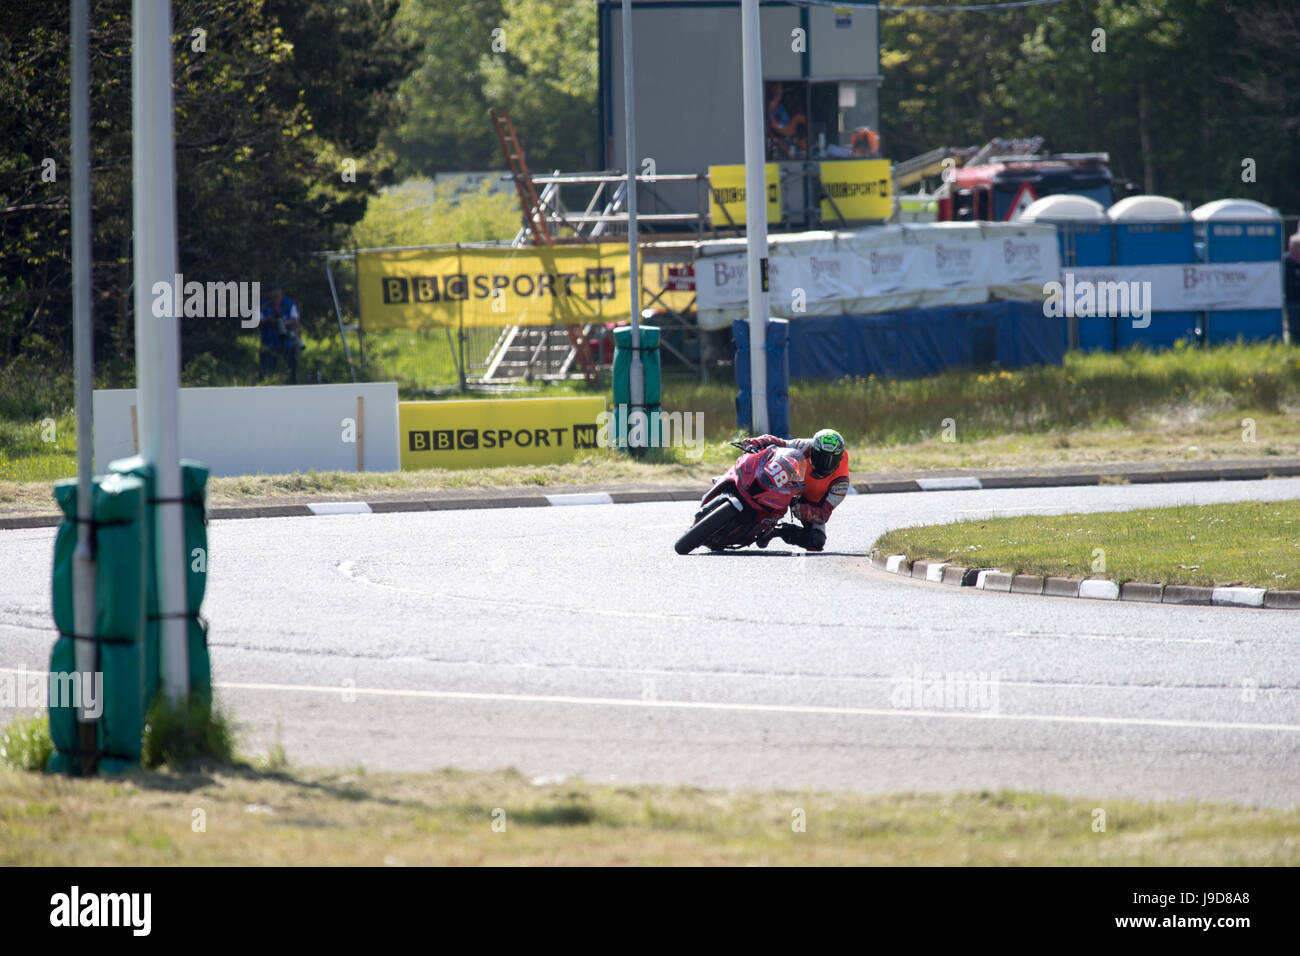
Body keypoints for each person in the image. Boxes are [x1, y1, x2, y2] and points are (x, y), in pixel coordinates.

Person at [744, 428, 850, 551]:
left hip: (811, 503)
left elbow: (823, 514)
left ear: (840, 458)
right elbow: (781, 442)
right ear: (813, 450)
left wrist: (802, 510)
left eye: (832, 459)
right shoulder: (807, 446)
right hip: (790, 484)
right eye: (820, 456)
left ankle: (778, 531)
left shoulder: (841, 483)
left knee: (816, 541)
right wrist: (756, 441)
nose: (824, 463)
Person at [259, 283, 303, 382]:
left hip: (288, 342)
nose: (276, 299)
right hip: (269, 342)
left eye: (278, 296)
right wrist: (268, 320)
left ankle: (291, 385)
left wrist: (285, 323)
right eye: (274, 296)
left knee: (291, 371)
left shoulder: (288, 303)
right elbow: (257, 322)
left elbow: (295, 319)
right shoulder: (263, 305)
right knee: (266, 372)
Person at [767, 83, 806, 156]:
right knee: (799, 117)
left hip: (787, 127)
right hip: (781, 128)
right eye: (779, 92)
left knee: (800, 117)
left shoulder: (780, 106)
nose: (781, 94)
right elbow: (772, 124)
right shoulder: (770, 107)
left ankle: (807, 136)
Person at [1285, 232, 1300, 345]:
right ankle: (1293, 344)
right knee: (1293, 325)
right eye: (1296, 246)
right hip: (1292, 299)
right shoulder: (1286, 262)